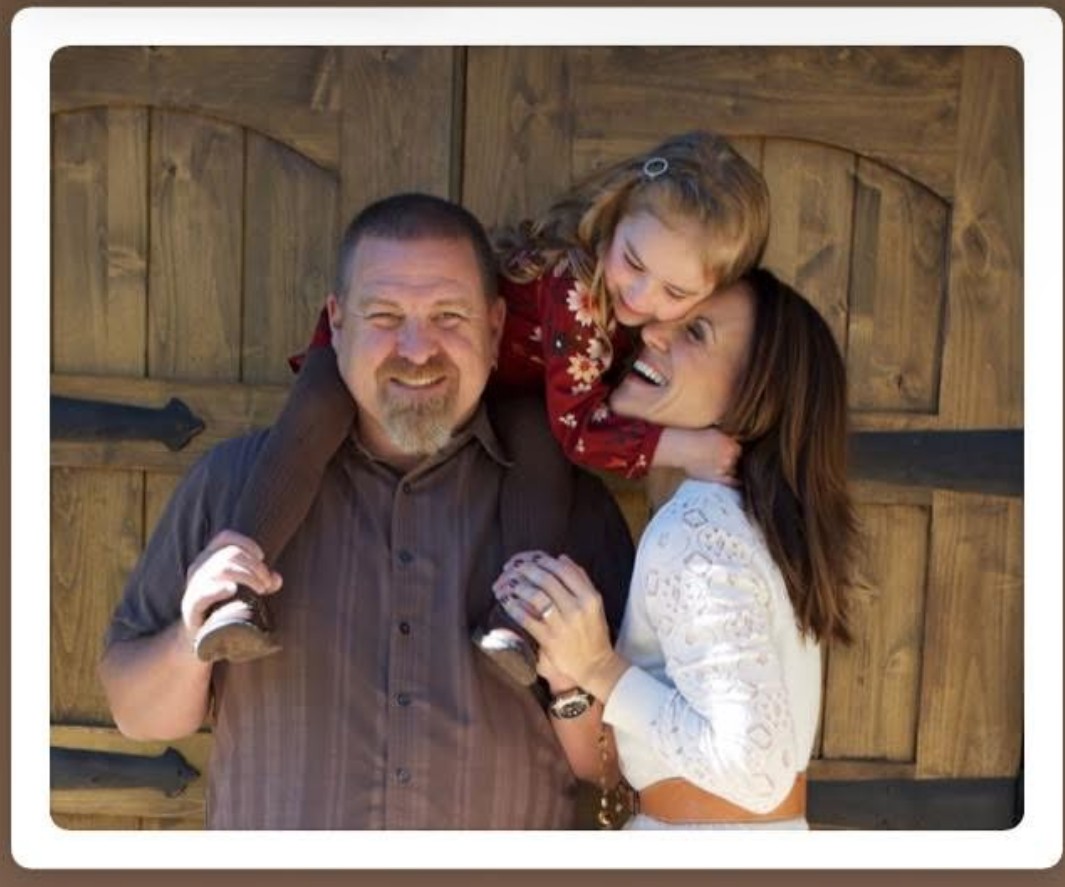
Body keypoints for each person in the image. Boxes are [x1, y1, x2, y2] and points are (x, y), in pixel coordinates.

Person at [98, 193, 636, 829]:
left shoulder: (574, 511)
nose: (416, 349)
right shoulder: (233, 488)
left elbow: (619, 770)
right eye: (384, 315)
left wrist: (575, 687)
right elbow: (137, 716)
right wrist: (190, 642)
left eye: (448, 316)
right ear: (337, 321)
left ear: (495, 329)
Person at [192, 131, 772, 683]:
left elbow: (571, 416)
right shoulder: (576, 283)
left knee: (541, 465)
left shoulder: (632, 313)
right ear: (616, 216)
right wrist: (685, 448)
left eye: (675, 294)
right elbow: (583, 433)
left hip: (515, 389)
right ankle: (235, 591)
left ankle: (515, 621)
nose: (641, 298)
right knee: (310, 424)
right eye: (635, 264)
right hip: (395, 354)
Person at [494, 268, 861, 829]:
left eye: (695, 334)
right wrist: (574, 673)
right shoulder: (742, 524)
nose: (651, 336)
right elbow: (613, 767)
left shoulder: (700, 530)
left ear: (755, 396)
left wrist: (601, 666)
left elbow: (751, 773)